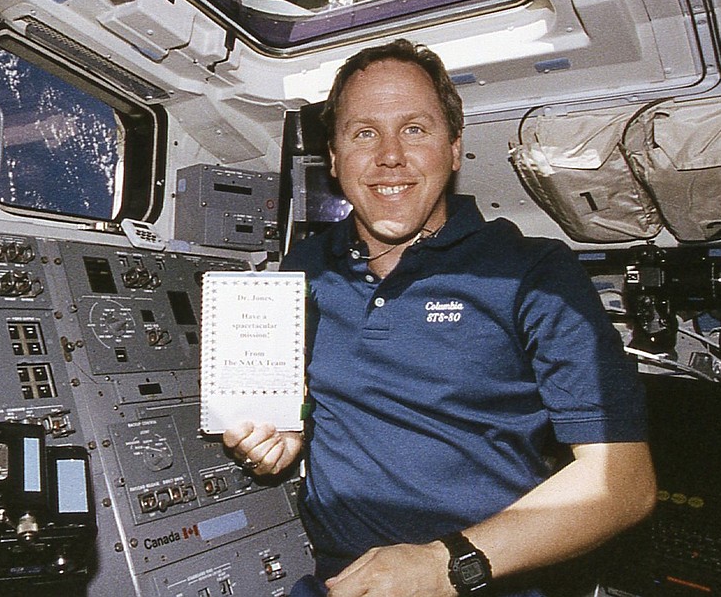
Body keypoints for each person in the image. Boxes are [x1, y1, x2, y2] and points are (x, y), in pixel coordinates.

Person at [223, 39, 656, 597]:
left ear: (454, 149)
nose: (389, 156)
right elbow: (305, 392)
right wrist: (284, 428)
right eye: (363, 133)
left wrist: (447, 564)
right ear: (333, 158)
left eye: (415, 129)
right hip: (338, 583)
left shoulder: (532, 271)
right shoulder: (305, 266)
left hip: (483, 579)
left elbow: (622, 483)